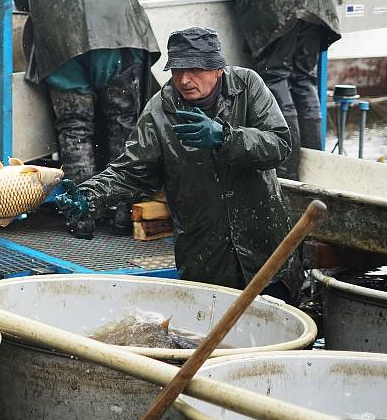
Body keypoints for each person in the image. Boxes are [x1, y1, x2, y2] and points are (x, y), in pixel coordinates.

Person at [55, 27, 304, 304]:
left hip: (266, 249)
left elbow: (280, 144)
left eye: (195, 69)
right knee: (212, 332)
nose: (184, 79)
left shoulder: (248, 85)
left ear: (218, 69)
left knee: (280, 330)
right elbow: (131, 172)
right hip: (205, 258)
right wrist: (90, 195)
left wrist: (225, 137)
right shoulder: (159, 111)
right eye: (176, 70)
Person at [12, 0, 160, 238]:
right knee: (122, 125)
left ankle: (82, 217)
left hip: (61, 43)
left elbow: (22, 1)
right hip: (115, 35)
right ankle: (122, 214)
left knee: (75, 129)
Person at [191, 0, 341, 180]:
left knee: (275, 76)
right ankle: (315, 174)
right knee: (303, 79)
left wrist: (199, 7)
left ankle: (285, 174)